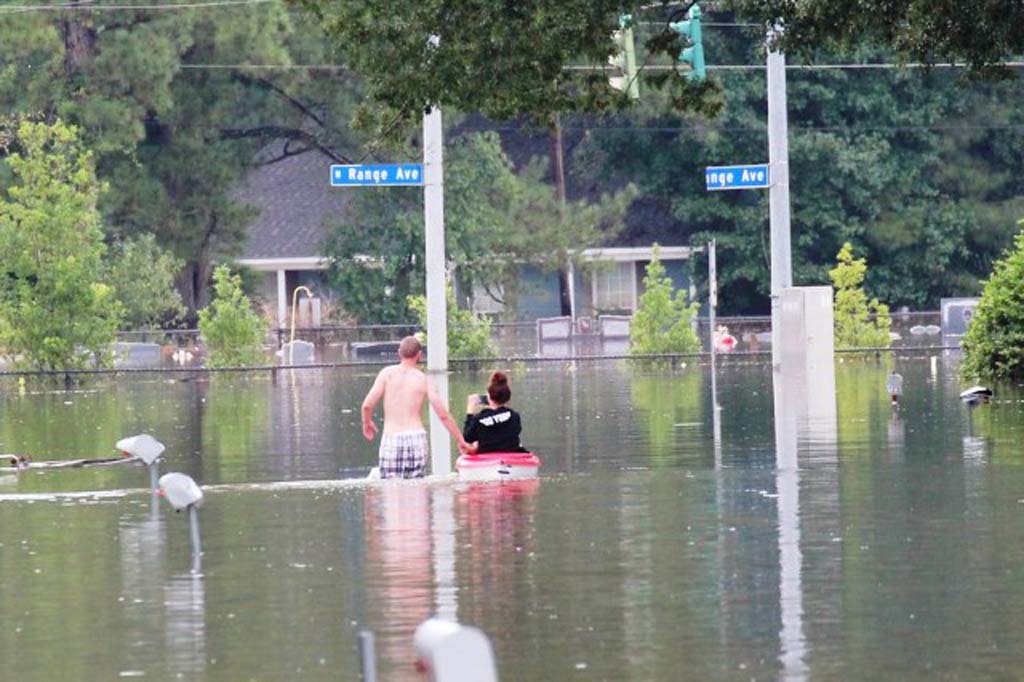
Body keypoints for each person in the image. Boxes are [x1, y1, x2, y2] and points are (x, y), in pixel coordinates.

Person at [361, 336, 469, 479]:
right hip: (416, 438)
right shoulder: (424, 379)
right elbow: (443, 414)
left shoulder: (387, 374)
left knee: (391, 492)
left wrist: (367, 422)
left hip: (392, 439)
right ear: (419, 355)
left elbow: (367, 406)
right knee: (417, 492)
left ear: (399, 353)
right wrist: (461, 440)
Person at [462, 371, 528, 455]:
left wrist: (470, 410)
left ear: (489, 396)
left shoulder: (478, 419)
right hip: (511, 457)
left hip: (486, 458)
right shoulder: (515, 416)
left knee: (472, 445)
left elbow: (467, 438)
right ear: (507, 397)